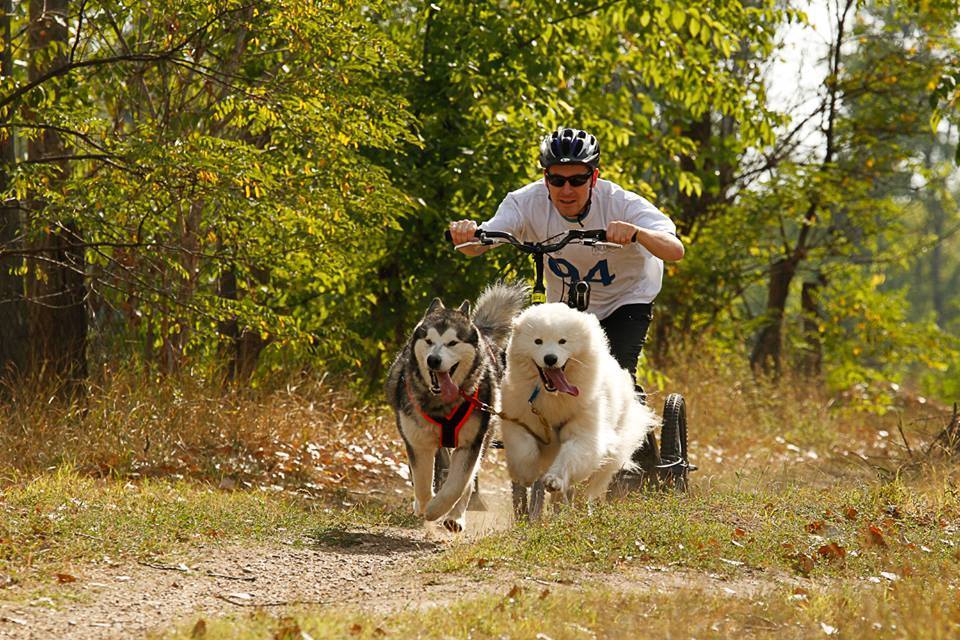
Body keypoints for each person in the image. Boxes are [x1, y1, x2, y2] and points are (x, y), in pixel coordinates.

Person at [448, 126, 684, 485]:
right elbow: (479, 244)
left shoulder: (622, 204)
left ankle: (644, 467)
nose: (567, 190)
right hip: (568, 308)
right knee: (539, 375)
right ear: (545, 178)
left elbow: (675, 250)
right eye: (557, 180)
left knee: (618, 372)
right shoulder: (524, 202)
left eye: (578, 179)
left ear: (595, 176)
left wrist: (636, 234)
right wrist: (467, 235)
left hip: (627, 297)